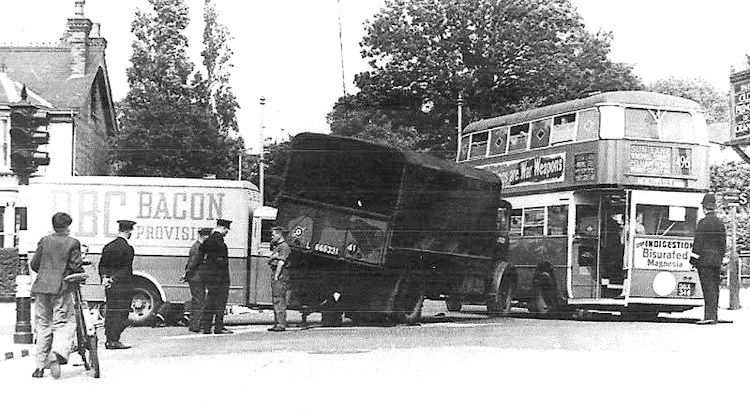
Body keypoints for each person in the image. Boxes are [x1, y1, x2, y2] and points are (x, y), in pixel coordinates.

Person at [29, 212, 83, 379]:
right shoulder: (73, 243)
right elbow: (75, 266)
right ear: (67, 227)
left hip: (41, 288)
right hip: (61, 288)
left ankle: (39, 366)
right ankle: (56, 353)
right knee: (63, 322)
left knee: (43, 325)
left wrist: (46, 273)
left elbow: (34, 264)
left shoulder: (44, 241)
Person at [690, 193, 727, 325]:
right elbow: (723, 243)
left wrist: (693, 260)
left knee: (707, 288)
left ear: (705, 208)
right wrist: (721, 258)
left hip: (704, 261)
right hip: (716, 261)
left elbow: (698, 243)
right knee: (715, 288)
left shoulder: (702, 223)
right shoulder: (720, 223)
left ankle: (708, 316)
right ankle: (714, 316)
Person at [100, 219, 137, 349]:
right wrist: (114, 279)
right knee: (122, 313)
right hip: (123, 286)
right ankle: (114, 340)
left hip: (110, 287)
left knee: (111, 311)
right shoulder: (128, 249)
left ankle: (109, 339)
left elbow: (102, 265)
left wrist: (105, 278)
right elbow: (125, 269)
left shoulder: (108, 246)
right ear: (128, 231)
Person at [200, 219, 233, 334]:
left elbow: (202, 255)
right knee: (220, 303)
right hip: (220, 279)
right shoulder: (220, 243)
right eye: (226, 230)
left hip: (210, 278)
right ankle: (219, 327)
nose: (227, 233)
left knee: (210, 302)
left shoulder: (207, 241)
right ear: (223, 228)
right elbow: (221, 263)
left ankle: (206, 327)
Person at [184, 227, 212, 332]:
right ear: (203, 236)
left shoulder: (195, 246)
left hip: (194, 278)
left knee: (196, 301)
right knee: (200, 302)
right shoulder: (199, 247)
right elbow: (193, 263)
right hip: (197, 278)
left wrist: (186, 275)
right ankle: (196, 326)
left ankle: (193, 325)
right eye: (208, 236)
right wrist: (187, 274)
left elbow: (190, 263)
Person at [268, 226, 291, 332]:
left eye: (273, 235)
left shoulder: (284, 247)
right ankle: (277, 322)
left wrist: (276, 276)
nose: (271, 237)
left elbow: (281, 263)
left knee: (279, 299)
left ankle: (281, 324)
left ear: (279, 235)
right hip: (277, 274)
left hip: (281, 275)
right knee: (276, 299)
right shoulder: (279, 246)